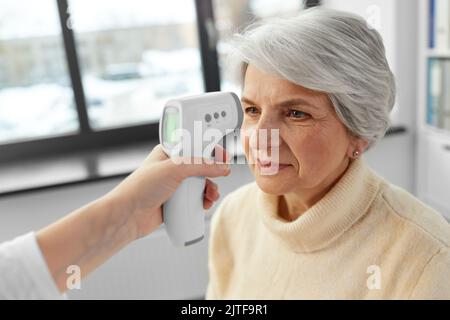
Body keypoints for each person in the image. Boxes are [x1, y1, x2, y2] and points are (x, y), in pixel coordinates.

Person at [206, 8, 450, 299]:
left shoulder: (425, 257)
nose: (260, 137)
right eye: (252, 110)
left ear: (358, 132)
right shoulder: (233, 217)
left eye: (296, 113)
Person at [0, 144, 230, 299]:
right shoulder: (231, 213)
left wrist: (131, 212)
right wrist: (131, 214)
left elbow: (20, 279)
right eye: (251, 110)